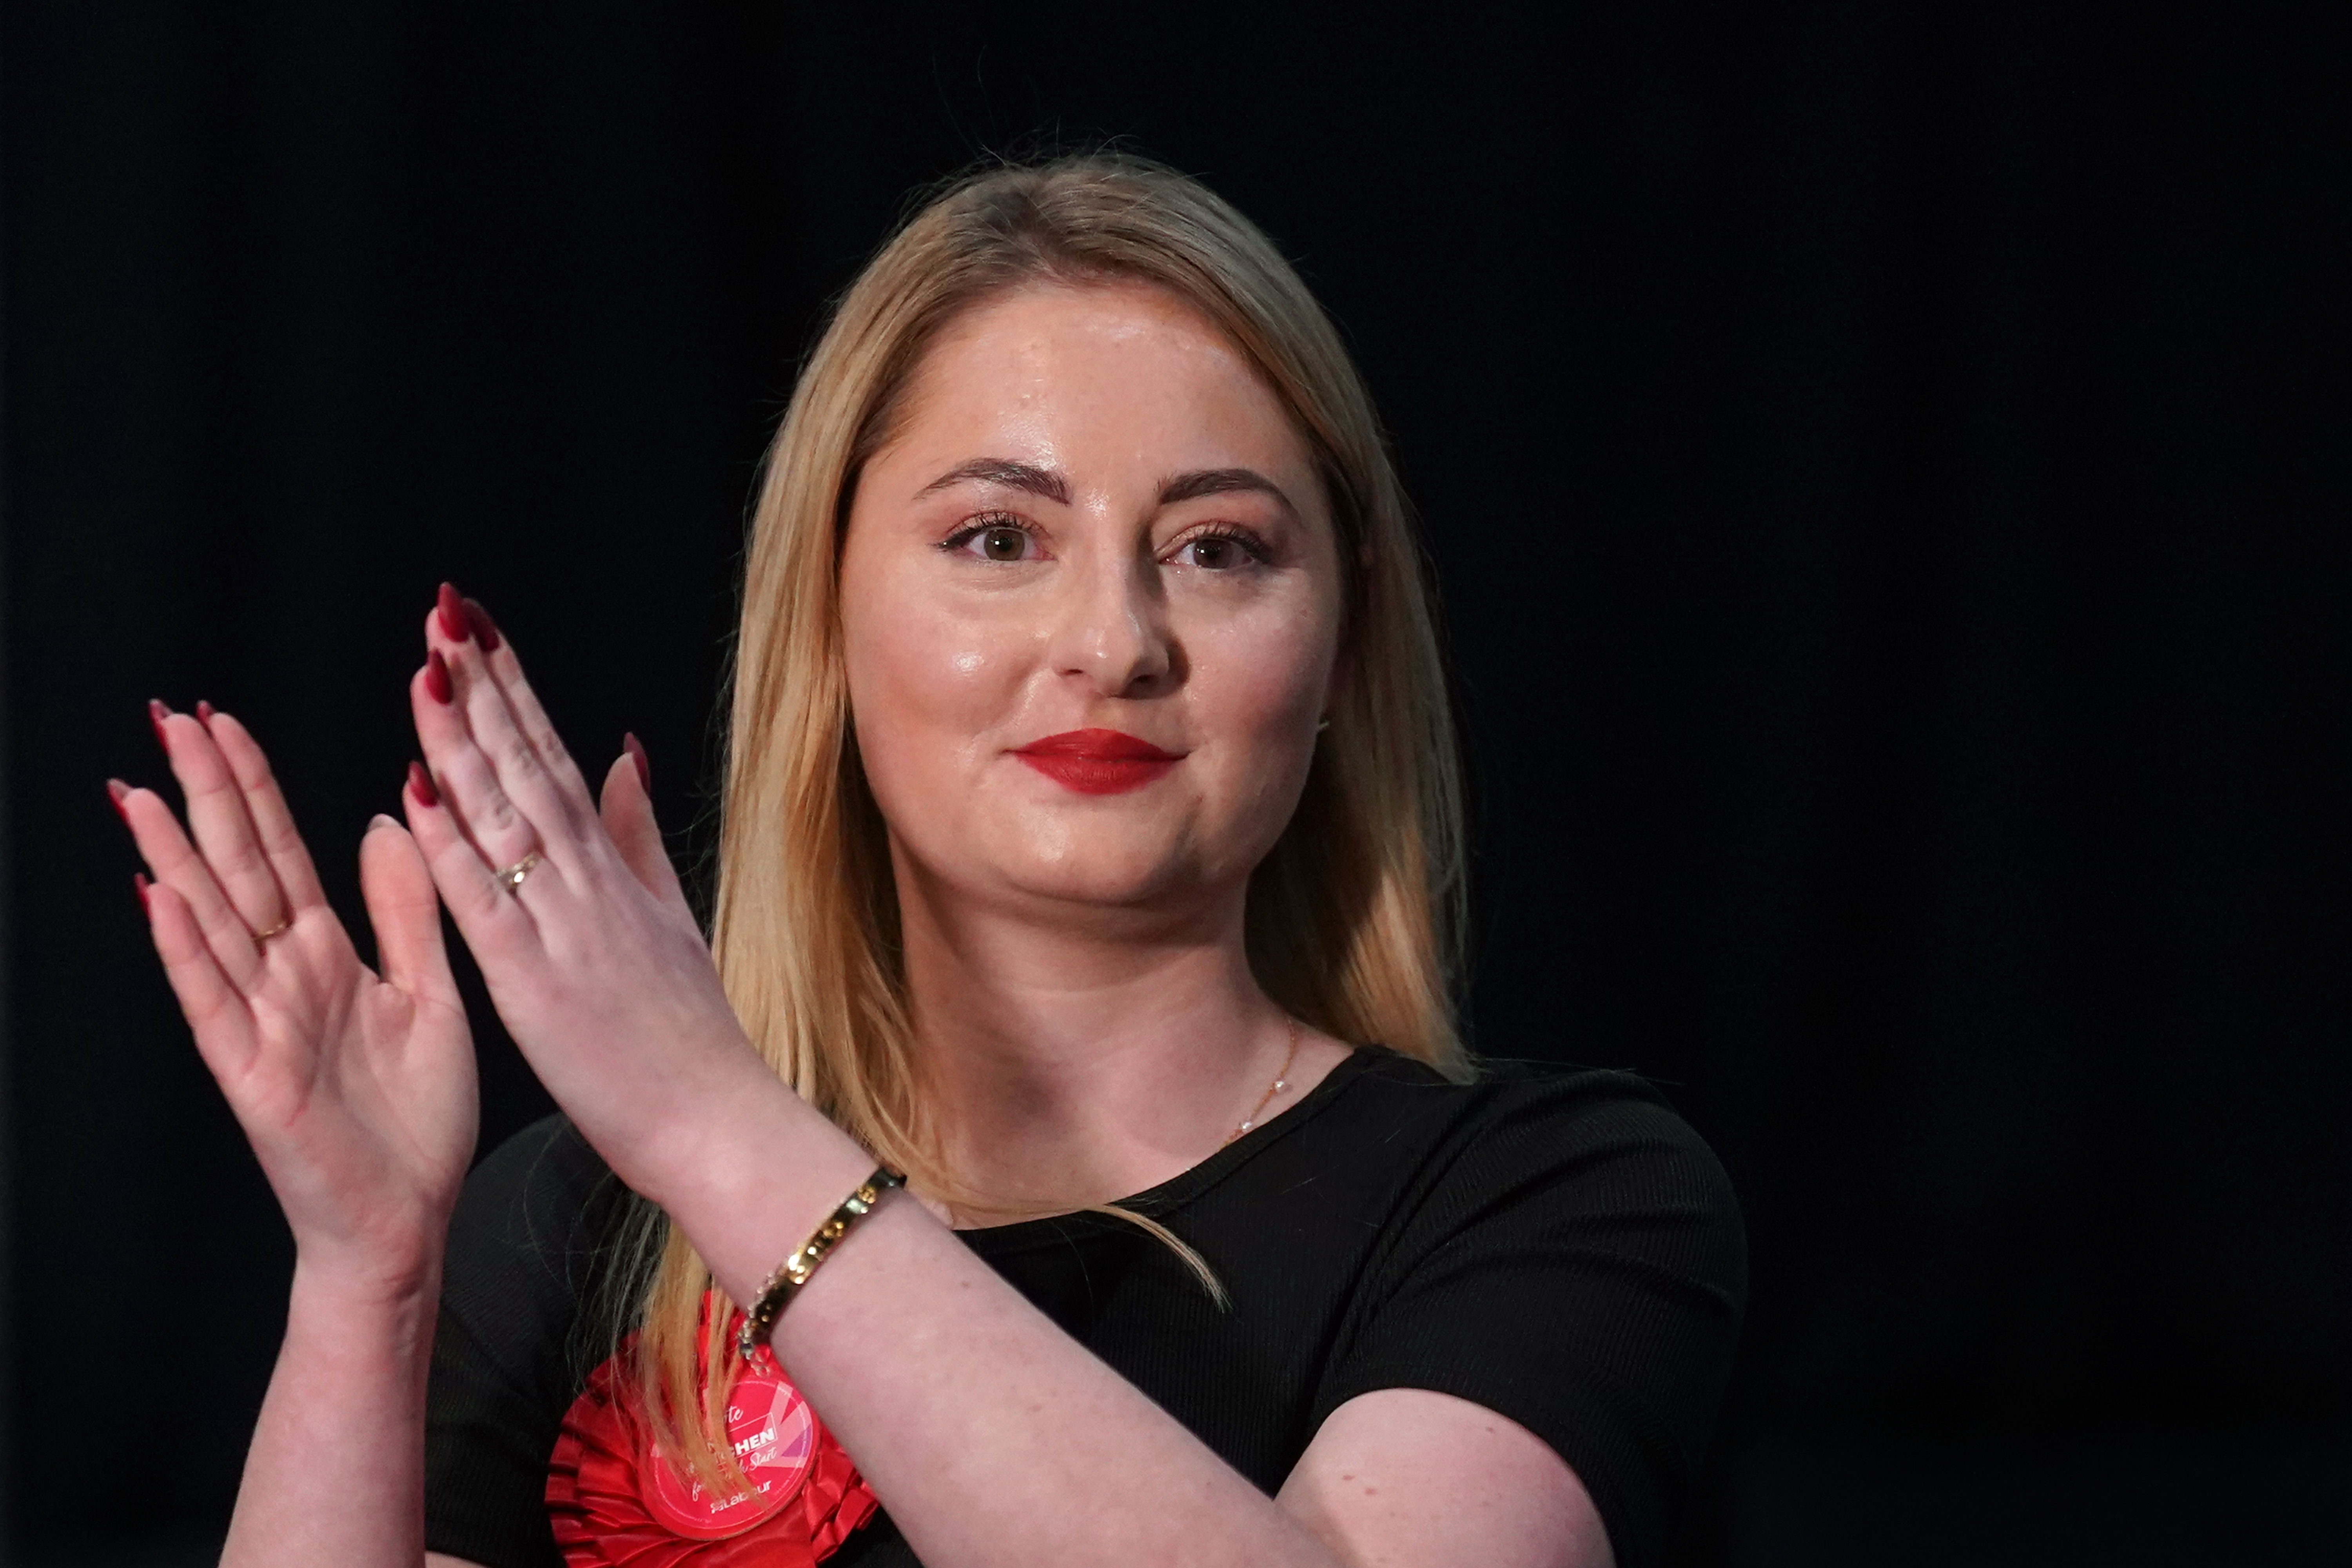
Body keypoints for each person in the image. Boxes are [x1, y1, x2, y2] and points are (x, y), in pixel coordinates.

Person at [112, 155, 1744, 1568]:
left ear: (1339, 651)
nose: (1112, 640)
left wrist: (720, 1129)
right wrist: (365, 1279)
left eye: (1219, 549)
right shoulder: (573, 1229)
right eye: (997, 539)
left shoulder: (1557, 1199)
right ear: (829, 620)